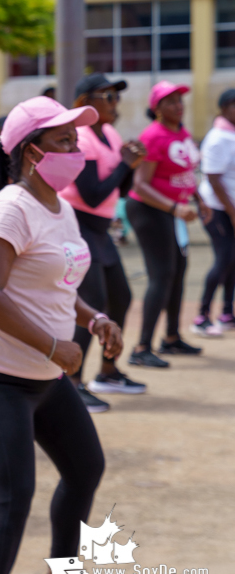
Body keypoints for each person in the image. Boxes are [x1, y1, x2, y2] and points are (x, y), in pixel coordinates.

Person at [0, 96, 124, 574]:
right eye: (63, 142)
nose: (75, 151)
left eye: (76, 142)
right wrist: (56, 348)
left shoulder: (61, 206)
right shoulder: (10, 208)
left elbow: (57, 281)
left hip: (45, 376)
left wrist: (93, 317)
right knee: (12, 499)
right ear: (32, 152)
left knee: (84, 467)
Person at [60, 75, 148, 412]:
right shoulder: (80, 137)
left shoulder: (109, 134)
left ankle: (108, 371)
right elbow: (93, 194)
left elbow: (118, 192)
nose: (115, 103)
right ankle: (72, 382)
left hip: (99, 230)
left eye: (115, 97)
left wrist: (130, 167)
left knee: (120, 298)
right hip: (80, 225)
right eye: (108, 96)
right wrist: (125, 164)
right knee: (92, 302)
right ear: (85, 101)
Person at [126, 81, 209, 367]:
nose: (178, 105)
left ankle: (171, 338)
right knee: (161, 276)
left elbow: (185, 172)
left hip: (174, 213)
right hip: (151, 211)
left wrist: (199, 199)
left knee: (179, 271)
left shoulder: (181, 132)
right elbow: (140, 184)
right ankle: (141, 347)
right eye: (170, 101)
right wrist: (175, 207)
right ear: (156, 108)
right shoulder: (153, 136)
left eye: (180, 100)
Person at [193, 88, 235, 335]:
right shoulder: (218, 137)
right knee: (224, 258)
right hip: (216, 208)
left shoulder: (231, 134)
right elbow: (214, 178)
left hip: (229, 208)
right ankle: (202, 316)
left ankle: (227, 313)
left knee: (233, 261)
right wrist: (232, 212)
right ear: (224, 108)